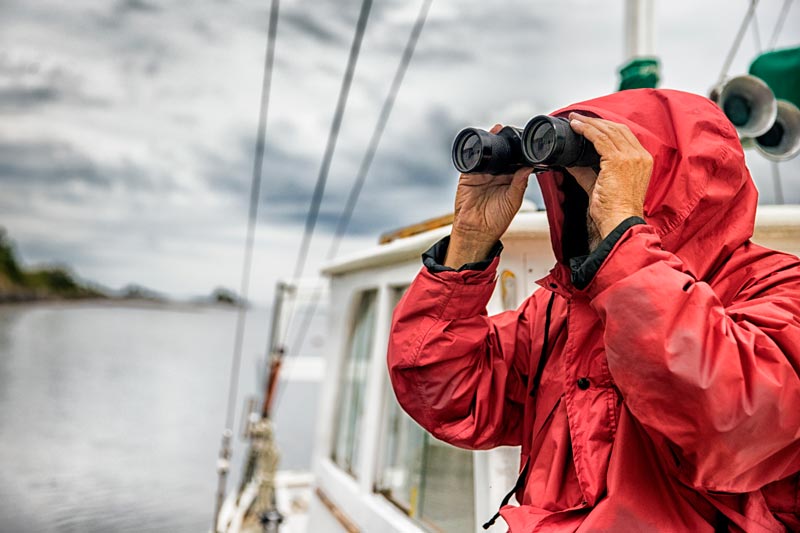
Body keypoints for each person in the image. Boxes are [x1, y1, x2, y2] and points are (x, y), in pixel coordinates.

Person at [387, 89, 800, 532]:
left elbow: (731, 423)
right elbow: (446, 394)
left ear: (668, 183)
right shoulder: (561, 309)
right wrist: (470, 241)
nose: (586, 193)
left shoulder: (780, 287)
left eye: (604, 173)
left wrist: (624, 236)